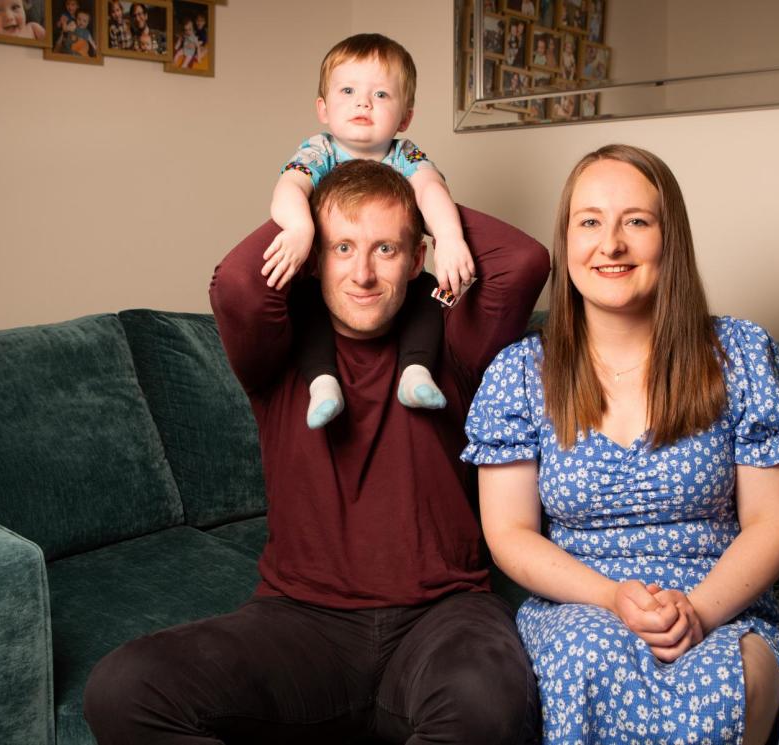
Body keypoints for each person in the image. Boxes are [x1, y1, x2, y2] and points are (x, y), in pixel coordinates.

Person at [81, 158, 550, 744]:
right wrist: (302, 199)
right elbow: (236, 285)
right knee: (123, 690)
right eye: (340, 247)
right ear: (311, 260)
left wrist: (417, 182)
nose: (363, 274)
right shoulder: (275, 359)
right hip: (300, 623)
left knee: (490, 706)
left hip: (443, 615)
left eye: (385, 249)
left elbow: (522, 261)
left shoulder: (455, 347)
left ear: (418, 260)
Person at [463, 144, 779, 745]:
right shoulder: (521, 374)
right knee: (586, 657)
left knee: (736, 681)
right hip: (580, 607)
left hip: (720, 605)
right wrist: (611, 597)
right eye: (590, 221)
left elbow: (772, 521)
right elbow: (510, 534)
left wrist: (698, 611)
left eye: (637, 221)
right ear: (566, 242)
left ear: (669, 238)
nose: (612, 244)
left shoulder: (742, 356)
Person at [265, 34, 477, 430]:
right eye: (348, 90)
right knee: (305, 299)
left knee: (431, 294)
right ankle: (323, 382)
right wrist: (299, 226)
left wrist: (448, 237)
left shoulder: (405, 154)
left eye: (381, 94)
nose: (364, 102)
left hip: (397, 276)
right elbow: (289, 188)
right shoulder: (320, 150)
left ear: (405, 117)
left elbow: (431, 189)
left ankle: (415, 372)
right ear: (323, 109)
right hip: (326, 276)